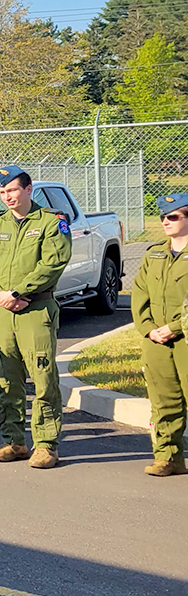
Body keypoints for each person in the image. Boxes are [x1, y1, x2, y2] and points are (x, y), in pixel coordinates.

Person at [0, 165, 72, 468]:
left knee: (42, 378)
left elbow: (54, 262)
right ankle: (13, 440)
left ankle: (45, 444)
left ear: (29, 190)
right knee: (5, 378)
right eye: (2, 192)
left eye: (13, 190)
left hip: (36, 310)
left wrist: (17, 291)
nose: (7, 197)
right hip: (1, 311)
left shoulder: (51, 222)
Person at [132, 193, 188, 476]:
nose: (166, 221)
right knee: (163, 399)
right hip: (156, 339)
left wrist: (174, 327)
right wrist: (148, 328)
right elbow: (139, 293)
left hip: (184, 338)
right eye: (163, 217)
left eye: (174, 216)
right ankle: (168, 457)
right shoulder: (154, 253)